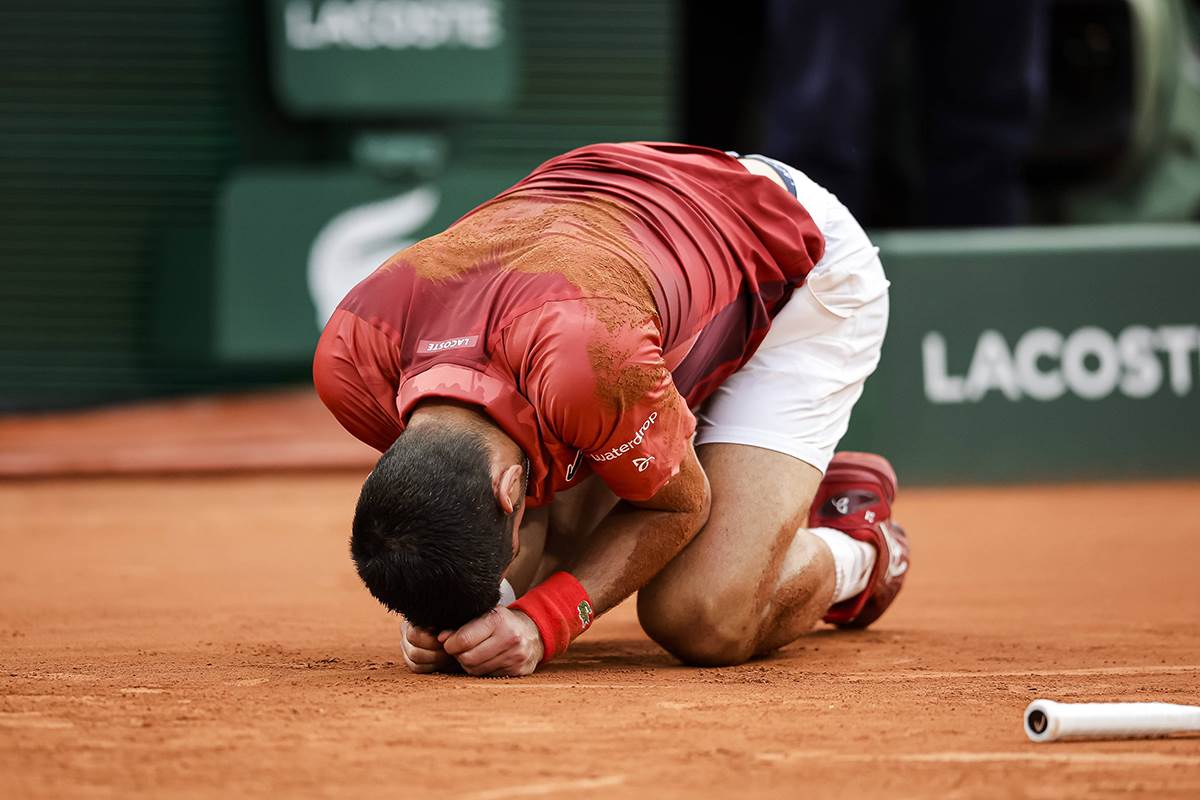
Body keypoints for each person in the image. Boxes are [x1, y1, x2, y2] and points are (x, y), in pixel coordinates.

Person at [313, 142, 909, 677]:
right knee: (525, 575)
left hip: (791, 268)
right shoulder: (351, 367)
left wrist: (544, 621)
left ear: (508, 486)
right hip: (624, 265)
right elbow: (490, 520)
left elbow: (678, 504)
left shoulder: (585, 362)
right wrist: (440, 620)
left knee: (703, 616)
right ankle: (753, 490)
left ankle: (858, 548)